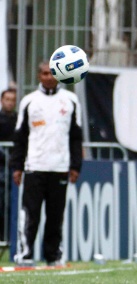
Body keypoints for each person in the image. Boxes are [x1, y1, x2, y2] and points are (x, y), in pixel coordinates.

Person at [10, 61, 83, 267]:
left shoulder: (71, 101)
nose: (48, 77)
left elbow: (76, 137)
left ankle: (53, 256)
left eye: (52, 73)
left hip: (60, 166)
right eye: (44, 73)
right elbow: (20, 137)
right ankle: (25, 255)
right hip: (35, 165)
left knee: (55, 216)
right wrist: (17, 166)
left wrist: (76, 166)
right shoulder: (29, 101)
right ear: (38, 76)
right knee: (30, 214)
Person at [0, 88, 17, 240]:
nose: (10, 103)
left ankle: (9, 238)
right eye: (7, 99)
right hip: (1, 167)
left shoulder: (18, 119)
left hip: (13, 167)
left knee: (11, 204)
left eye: (13, 100)